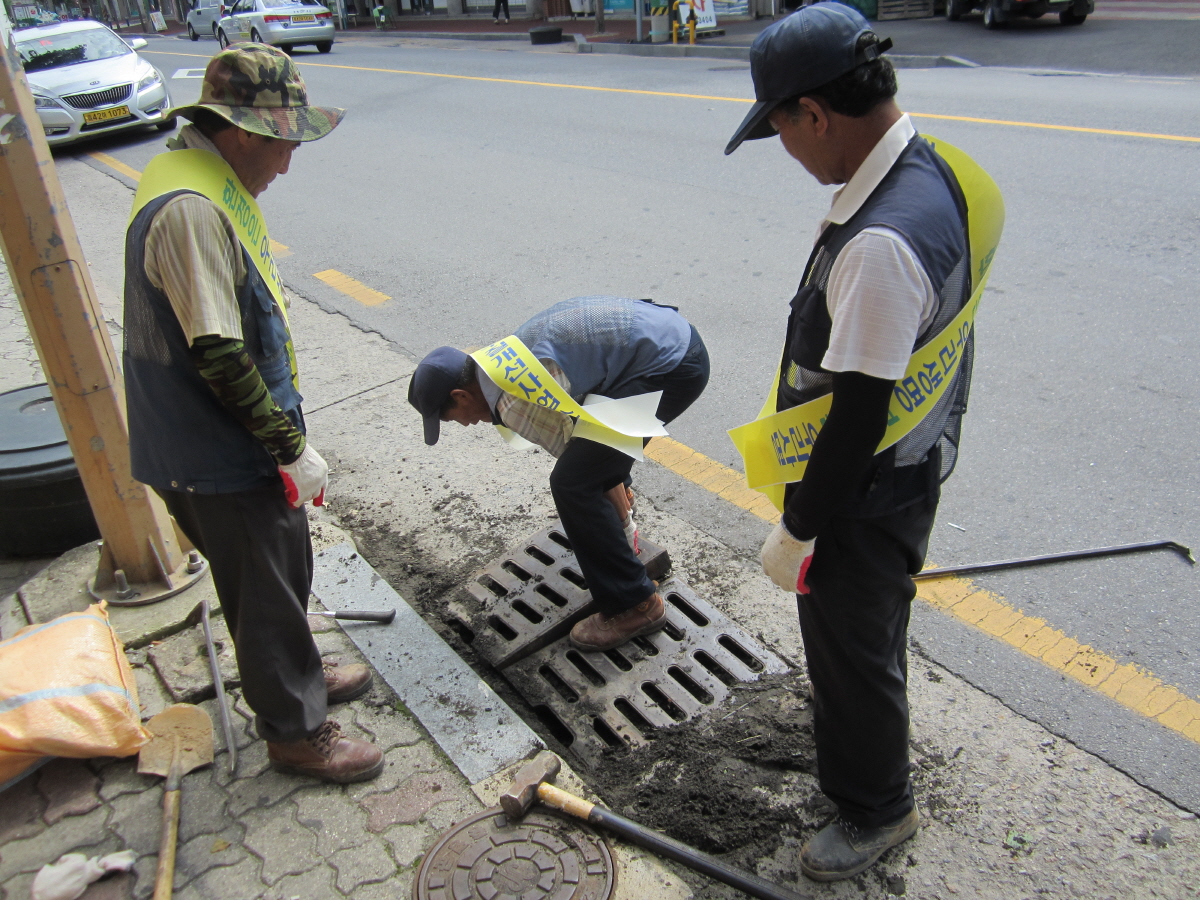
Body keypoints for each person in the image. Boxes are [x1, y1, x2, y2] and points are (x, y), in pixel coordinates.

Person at [725, 4, 996, 882]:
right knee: (869, 636)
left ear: (814, 113)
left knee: (853, 650)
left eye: (781, 133)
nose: (789, 154)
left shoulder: (880, 241)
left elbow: (858, 417)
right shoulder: (930, 170)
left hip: (864, 495)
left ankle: (877, 810)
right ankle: (868, 773)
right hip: (906, 472)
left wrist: (800, 527)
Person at [123, 45, 383, 784]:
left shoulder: (202, 174)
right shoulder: (192, 210)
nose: (287, 165)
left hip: (234, 440)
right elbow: (218, 353)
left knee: (283, 566)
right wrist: (286, 446)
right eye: (284, 144)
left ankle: (297, 667)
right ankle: (296, 734)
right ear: (242, 132)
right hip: (213, 448)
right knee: (262, 593)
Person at [408, 297, 709, 651]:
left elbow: (581, 470)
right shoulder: (502, 359)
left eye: (451, 418)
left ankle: (636, 605)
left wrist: (623, 523)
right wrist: (617, 496)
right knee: (591, 466)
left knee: (571, 483)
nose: (465, 424)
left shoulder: (512, 399)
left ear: (460, 395)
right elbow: (590, 440)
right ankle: (624, 553)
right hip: (668, 337)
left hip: (670, 366)